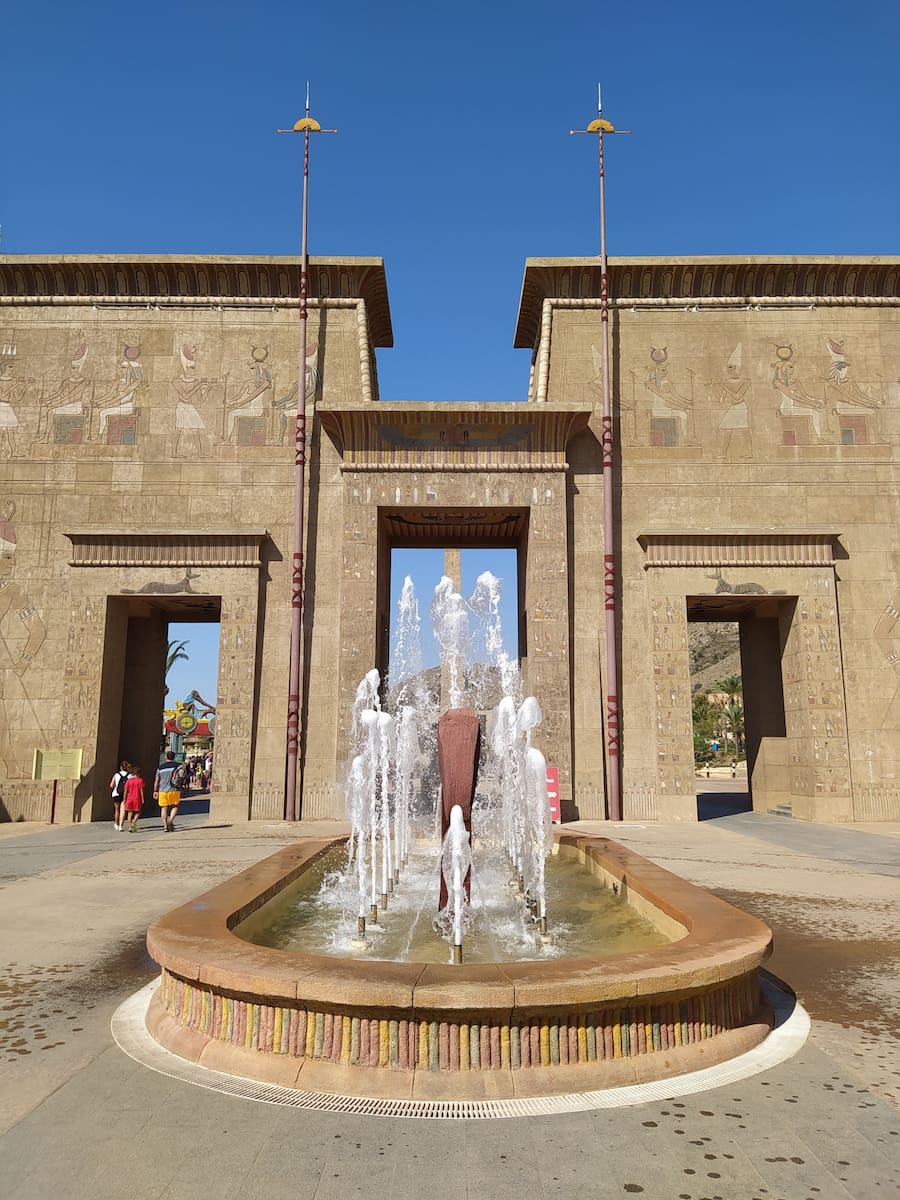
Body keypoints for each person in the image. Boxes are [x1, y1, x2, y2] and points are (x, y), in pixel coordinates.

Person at [154, 750, 181, 832]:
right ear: (174, 757)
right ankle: (171, 820)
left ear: (166, 757)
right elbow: (182, 774)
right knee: (175, 806)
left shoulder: (160, 768)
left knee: (164, 808)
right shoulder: (178, 766)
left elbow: (157, 780)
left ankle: (165, 826)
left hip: (162, 790)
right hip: (174, 789)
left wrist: (155, 790)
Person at [110, 759, 131, 831]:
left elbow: (111, 785)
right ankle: (121, 826)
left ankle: (116, 824)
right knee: (123, 810)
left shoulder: (116, 775)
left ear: (121, 767)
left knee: (117, 810)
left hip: (116, 794)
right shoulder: (130, 776)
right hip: (125, 794)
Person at [122, 767, 144, 832]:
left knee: (130, 812)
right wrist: (142, 798)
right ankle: (134, 821)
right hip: (137, 798)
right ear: (138, 773)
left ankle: (130, 827)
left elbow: (125, 791)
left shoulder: (129, 781)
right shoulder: (140, 780)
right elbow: (141, 790)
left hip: (129, 798)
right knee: (138, 812)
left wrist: (124, 799)